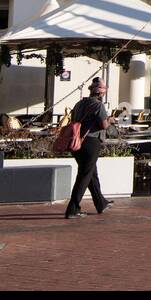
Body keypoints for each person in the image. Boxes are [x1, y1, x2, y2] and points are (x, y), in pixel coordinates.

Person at [65, 78, 114, 219]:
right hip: (91, 143)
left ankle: (101, 203)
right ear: (100, 92)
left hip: (76, 142)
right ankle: (72, 209)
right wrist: (110, 120)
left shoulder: (79, 104)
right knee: (84, 176)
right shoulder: (98, 105)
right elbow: (104, 125)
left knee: (91, 174)